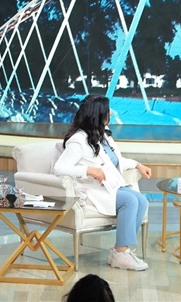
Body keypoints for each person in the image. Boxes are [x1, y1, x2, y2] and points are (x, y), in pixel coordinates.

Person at [54, 95, 152, 271]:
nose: (111, 113)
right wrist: (87, 170)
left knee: (142, 200)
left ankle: (120, 251)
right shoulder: (78, 140)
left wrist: (138, 164)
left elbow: (116, 160)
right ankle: (120, 253)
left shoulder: (103, 134)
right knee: (130, 201)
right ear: (97, 114)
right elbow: (59, 168)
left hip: (109, 186)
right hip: (91, 191)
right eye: (108, 110)